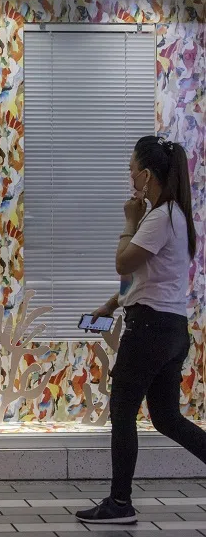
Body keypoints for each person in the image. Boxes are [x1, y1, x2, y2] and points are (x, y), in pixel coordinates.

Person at [77, 136, 204, 525]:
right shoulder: (175, 216)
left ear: (146, 175)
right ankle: (119, 502)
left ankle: (119, 503)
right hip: (171, 328)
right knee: (166, 417)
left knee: (123, 410)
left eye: (132, 171)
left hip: (149, 329)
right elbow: (148, 278)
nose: (129, 178)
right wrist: (113, 304)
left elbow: (123, 263)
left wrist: (129, 222)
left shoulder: (157, 217)